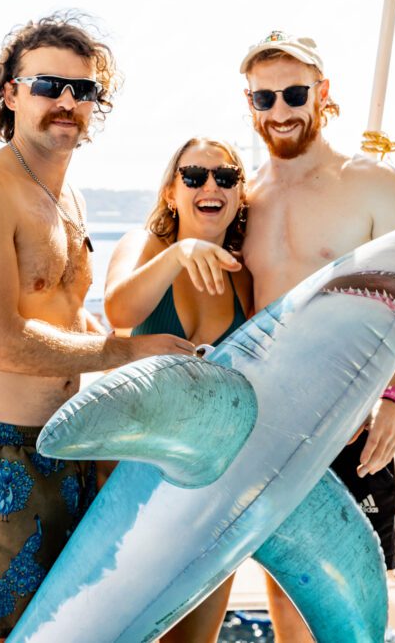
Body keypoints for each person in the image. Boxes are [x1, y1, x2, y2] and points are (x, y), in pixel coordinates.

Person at [0, 12, 193, 643]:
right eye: (48, 86)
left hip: (68, 444)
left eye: (84, 90)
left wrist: (159, 365)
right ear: (11, 94)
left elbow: (67, 317)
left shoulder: (66, 197)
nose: (66, 102)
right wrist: (124, 350)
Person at [239, 31, 395, 641]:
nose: (279, 111)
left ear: (322, 93)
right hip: (273, 427)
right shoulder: (245, 198)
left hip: (352, 423)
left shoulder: (374, 184)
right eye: (263, 98)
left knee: (354, 597)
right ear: (248, 103)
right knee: (285, 583)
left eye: (294, 93)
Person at [103, 136, 253, 643]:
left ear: (238, 193)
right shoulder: (145, 248)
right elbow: (119, 311)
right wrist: (182, 253)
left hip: (209, 492)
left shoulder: (243, 277)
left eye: (225, 177)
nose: (210, 185)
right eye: (193, 176)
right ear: (172, 192)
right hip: (129, 487)